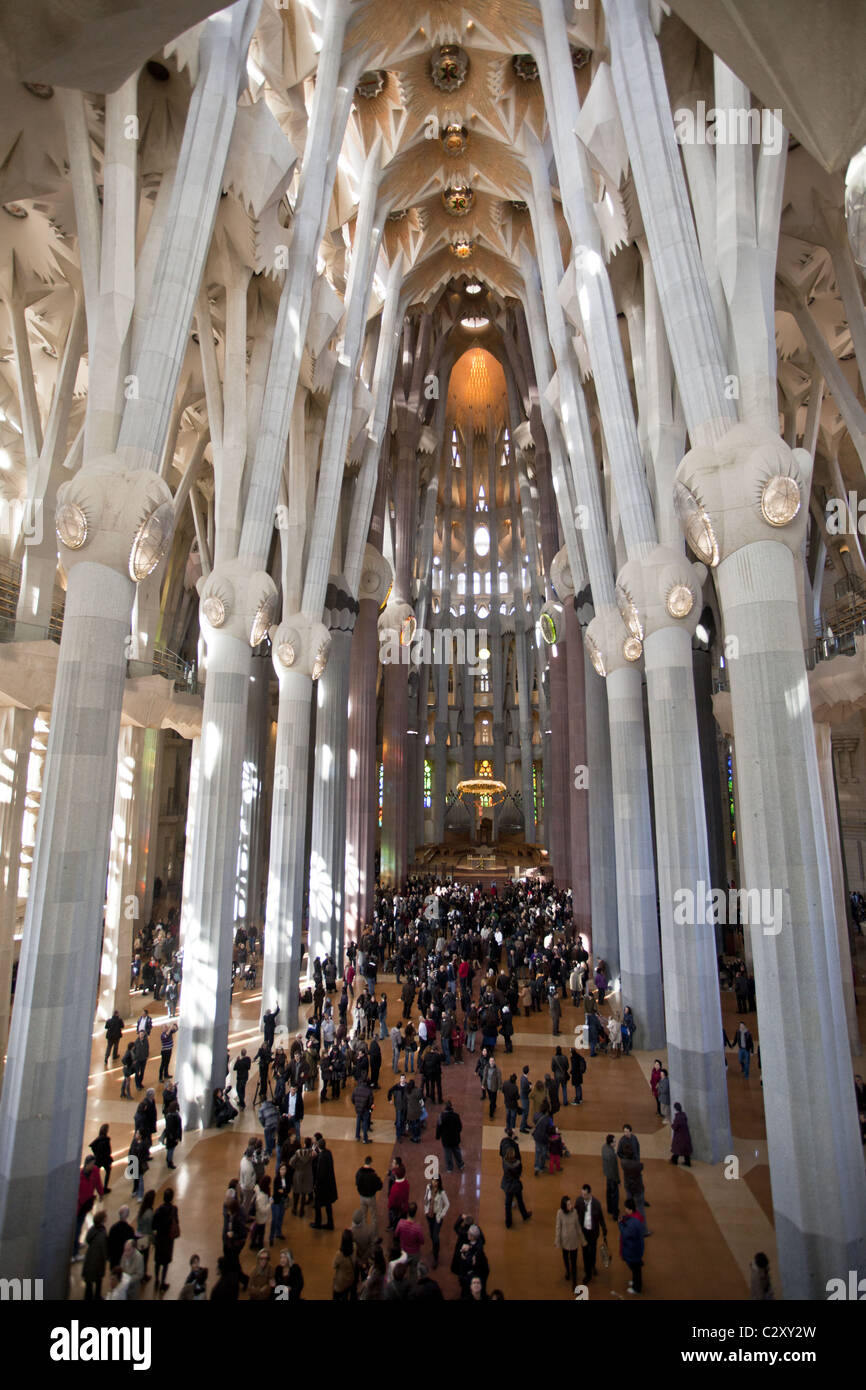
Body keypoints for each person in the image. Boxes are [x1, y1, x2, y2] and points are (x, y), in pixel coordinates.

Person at [575, 1184, 607, 1282]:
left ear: (590, 1194)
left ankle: (592, 1266)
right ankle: (587, 1272)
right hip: (583, 1232)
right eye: (582, 1194)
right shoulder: (579, 1201)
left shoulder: (596, 1204)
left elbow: (601, 1218)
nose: (583, 1196)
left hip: (593, 1233)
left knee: (592, 1251)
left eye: (585, 1194)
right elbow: (575, 1214)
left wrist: (604, 1229)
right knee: (585, 1252)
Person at [152, 1187, 180, 1293]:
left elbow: (153, 1225)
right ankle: (163, 1282)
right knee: (165, 1262)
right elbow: (176, 1222)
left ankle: (156, 1279)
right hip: (168, 1240)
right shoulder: (174, 1209)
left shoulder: (158, 1210)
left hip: (159, 1238)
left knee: (157, 1261)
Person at [501, 1140, 532, 1228]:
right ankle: (525, 1215)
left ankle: (508, 1223)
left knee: (507, 1204)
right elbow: (519, 1173)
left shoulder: (504, 1162)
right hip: (516, 1185)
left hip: (507, 1185)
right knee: (520, 1201)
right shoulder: (518, 1164)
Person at [310, 1135, 338, 1230]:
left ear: (318, 1146)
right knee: (328, 1204)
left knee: (318, 1205)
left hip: (322, 1187)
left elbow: (321, 1174)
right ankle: (330, 1223)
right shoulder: (328, 1153)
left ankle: (318, 1223)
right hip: (329, 1185)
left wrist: (316, 1184)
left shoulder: (321, 1158)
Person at [619, 1197, 645, 1294]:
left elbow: (626, 1234)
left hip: (633, 1249)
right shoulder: (636, 1217)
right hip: (636, 1248)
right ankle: (635, 1282)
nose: (625, 1210)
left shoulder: (633, 1223)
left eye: (626, 1208)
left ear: (630, 1209)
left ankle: (636, 1288)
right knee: (636, 1268)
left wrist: (620, 1224)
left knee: (635, 1269)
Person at [423, 1175, 450, 1268]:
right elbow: (426, 1198)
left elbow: (447, 1204)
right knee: (431, 1234)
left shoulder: (442, 1193)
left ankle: (436, 1256)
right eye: (433, 1181)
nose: (434, 1183)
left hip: (437, 1217)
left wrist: (441, 1214)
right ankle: (434, 1247)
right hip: (429, 1215)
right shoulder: (428, 1188)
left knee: (435, 1236)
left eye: (436, 1181)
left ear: (439, 1182)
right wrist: (426, 1209)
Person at [555, 1196, 582, 1286]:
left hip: (573, 1241)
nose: (571, 1205)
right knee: (566, 1258)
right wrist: (557, 1241)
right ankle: (567, 1271)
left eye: (571, 1203)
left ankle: (574, 1283)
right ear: (564, 1206)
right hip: (565, 1241)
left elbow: (578, 1227)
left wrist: (583, 1240)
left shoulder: (574, 1212)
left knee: (574, 1263)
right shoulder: (560, 1213)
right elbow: (558, 1228)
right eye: (568, 1204)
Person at [82, 1210, 109, 1300]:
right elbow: (103, 1249)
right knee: (98, 1281)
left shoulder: (92, 1229)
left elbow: (87, 1240)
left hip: (89, 1258)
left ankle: (88, 1297)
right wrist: (106, 1259)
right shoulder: (102, 1233)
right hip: (97, 1261)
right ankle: (97, 1297)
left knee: (89, 1283)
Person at [355, 1154, 383, 1233]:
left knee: (364, 1215)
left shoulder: (359, 1173)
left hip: (362, 1197)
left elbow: (357, 1183)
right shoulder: (373, 1175)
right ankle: (374, 1235)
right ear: (371, 1163)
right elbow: (380, 1186)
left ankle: (364, 1232)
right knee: (373, 1216)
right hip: (371, 1197)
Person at [395, 1201, 426, 1271]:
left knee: (401, 1269)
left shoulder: (401, 1223)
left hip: (403, 1251)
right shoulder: (417, 1228)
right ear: (415, 1213)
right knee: (413, 1271)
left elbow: (396, 1234)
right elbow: (422, 1241)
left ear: (407, 1212)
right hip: (414, 1253)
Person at [435, 1099, 465, 1173]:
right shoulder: (456, 1116)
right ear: (451, 1107)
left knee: (447, 1153)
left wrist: (438, 1136)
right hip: (455, 1138)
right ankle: (460, 1164)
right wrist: (457, 1133)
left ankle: (449, 1167)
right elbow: (460, 1127)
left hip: (446, 1139)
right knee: (457, 1151)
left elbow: (439, 1127)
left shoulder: (441, 1117)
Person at [290, 1138, 315, 1217]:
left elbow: (291, 1162)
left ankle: (294, 1208)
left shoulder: (298, 1152)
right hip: (307, 1174)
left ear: (304, 1144)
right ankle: (301, 1210)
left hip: (298, 1173)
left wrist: (297, 1167)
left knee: (296, 1191)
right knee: (304, 1193)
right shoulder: (312, 1153)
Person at [387, 1155, 410, 1228]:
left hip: (397, 1207)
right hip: (403, 1206)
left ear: (397, 1165)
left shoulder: (395, 1187)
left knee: (395, 1217)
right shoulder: (406, 1182)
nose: (392, 1164)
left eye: (393, 1163)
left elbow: (392, 1202)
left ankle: (393, 1227)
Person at [601, 1134, 620, 1220]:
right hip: (613, 1177)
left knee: (608, 1192)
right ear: (611, 1143)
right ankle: (615, 1213)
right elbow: (615, 1169)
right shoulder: (612, 1156)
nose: (615, 1143)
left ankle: (609, 1209)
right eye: (614, 1142)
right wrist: (618, 1180)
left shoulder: (604, 1147)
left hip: (607, 1174)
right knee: (615, 1195)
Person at [89, 1124, 113, 1194]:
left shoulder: (98, 1139)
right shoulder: (106, 1140)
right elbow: (109, 1151)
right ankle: (105, 1188)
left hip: (98, 1160)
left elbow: (92, 1146)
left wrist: (96, 1154)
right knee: (108, 1172)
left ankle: (91, 1192)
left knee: (95, 1175)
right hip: (105, 1160)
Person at [352, 1075, 374, 1143]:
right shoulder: (369, 1091)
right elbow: (371, 1102)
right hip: (365, 1109)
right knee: (365, 1123)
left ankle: (357, 1136)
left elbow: (352, 1098)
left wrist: (356, 1104)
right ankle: (365, 1138)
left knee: (358, 1121)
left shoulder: (356, 1089)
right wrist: (369, 1108)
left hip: (358, 1108)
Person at [163, 1100, 182, 1169]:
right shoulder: (172, 1116)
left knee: (170, 1149)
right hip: (172, 1137)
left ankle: (168, 1159)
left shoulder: (170, 1114)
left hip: (171, 1136)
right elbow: (172, 1128)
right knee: (171, 1149)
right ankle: (169, 1161)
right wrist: (175, 1137)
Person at [519, 1065, 532, 1133]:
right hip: (525, 1098)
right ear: (528, 1072)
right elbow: (525, 1090)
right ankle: (522, 1128)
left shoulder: (523, 1077)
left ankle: (525, 1124)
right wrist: (530, 1088)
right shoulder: (525, 1080)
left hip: (523, 1097)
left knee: (526, 1112)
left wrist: (528, 1084)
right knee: (525, 1112)